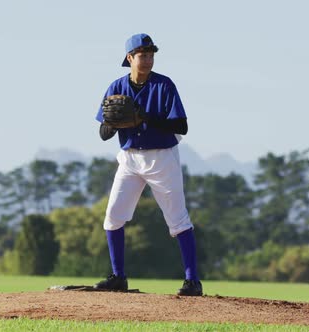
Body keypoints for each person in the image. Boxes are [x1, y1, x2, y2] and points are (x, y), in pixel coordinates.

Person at [93, 33, 202, 296]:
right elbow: (103, 133)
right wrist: (114, 122)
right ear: (130, 58)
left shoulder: (164, 86)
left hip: (161, 157)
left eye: (151, 54)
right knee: (113, 217)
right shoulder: (116, 87)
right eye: (143, 54)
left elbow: (181, 126)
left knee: (177, 220)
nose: (148, 59)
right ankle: (118, 277)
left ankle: (192, 281)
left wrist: (145, 119)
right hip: (130, 158)